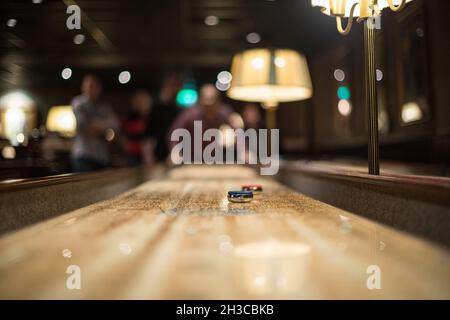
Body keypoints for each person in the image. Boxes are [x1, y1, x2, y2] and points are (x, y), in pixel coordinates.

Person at [168, 83, 237, 160]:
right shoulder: (189, 115)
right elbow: (174, 133)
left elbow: (238, 132)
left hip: (216, 159)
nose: (209, 110)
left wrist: (245, 152)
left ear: (218, 102)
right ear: (200, 102)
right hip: (191, 159)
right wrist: (175, 151)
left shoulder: (225, 113)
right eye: (206, 106)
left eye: (212, 105)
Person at [71, 74, 119, 172]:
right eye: (87, 86)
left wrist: (99, 126)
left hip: (101, 157)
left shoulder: (105, 106)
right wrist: (104, 127)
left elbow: (115, 126)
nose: (89, 89)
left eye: (93, 86)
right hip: (83, 157)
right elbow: (84, 127)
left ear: (99, 88)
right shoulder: (78, 103)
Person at [144, 74, 182, 164]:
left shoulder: (179, 110)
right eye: (171, 87)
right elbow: (148, 136)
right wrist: (148, 157)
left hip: (176, 154)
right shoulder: (156, 109)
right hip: (159, 155)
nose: (174, 90)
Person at [121, 90, 152, 166]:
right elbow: (123, 133)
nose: (143, 104)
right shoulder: (129, 117)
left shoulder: (149, 118)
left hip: (146, 153)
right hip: (132, 152)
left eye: (145, 102)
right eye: (140, 102)